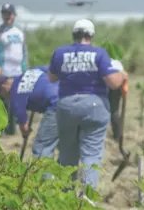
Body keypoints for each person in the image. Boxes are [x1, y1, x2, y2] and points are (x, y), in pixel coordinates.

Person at [48, 19, 128, 190]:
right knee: (91, 154)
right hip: (94, 105)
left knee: (67, 155)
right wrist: (122, 74)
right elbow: (113, 83)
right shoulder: (99, 54)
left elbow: (52, 78)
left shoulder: (60, 52)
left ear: (73, 34)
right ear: (91, 35)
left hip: (67, 105)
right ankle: (87, 201)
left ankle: (65, 199)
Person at [0, 66, 59, 159]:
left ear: (4, 87)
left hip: (55, 107)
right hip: (68, 97)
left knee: (41, 147)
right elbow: (52, 69)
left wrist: (25, 133)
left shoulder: (14, 96)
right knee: (64, 144)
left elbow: (24, 127)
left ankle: (44, 173)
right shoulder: (30, 72)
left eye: (3, 97)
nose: (6, 98)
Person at [0, 3, 28, 136]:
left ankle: (11, 128)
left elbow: (24, 52)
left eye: (9, 14)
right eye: (4, 13)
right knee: (1, 101)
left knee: (15, 100)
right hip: (4, 72)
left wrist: (26, 69)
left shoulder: (19, 32)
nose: (7, 16)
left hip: (18, 72)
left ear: (14, 15)